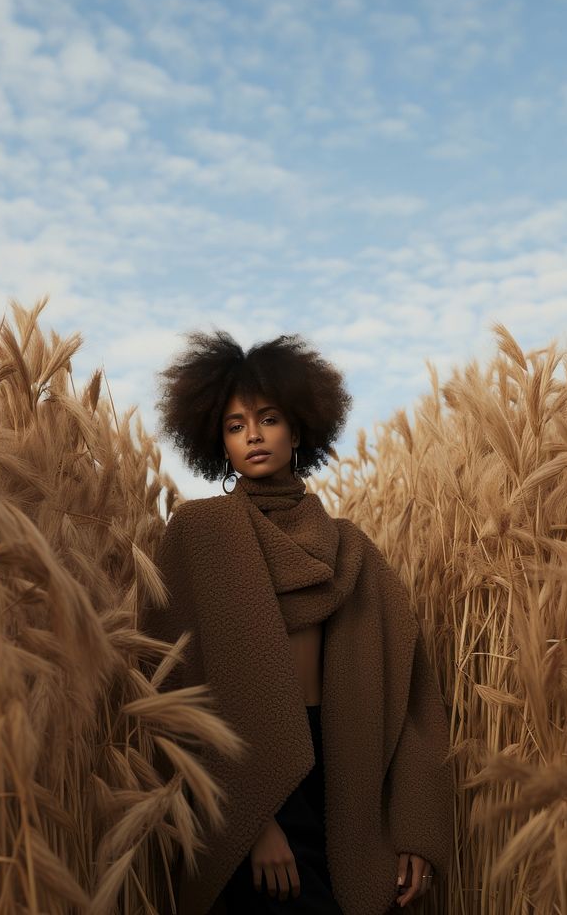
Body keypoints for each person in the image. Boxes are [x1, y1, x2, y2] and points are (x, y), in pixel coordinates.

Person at [144, 331, 454, 915]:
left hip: (342, 780)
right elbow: (173, 693)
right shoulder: (201, 533)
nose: (253, 435)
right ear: (218, 441)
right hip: (246, 777)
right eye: (235, 426)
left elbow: (410, 696)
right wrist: (252, 821)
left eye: (268, 419)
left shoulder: (351, 549)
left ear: (299, 429)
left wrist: (416, 829)